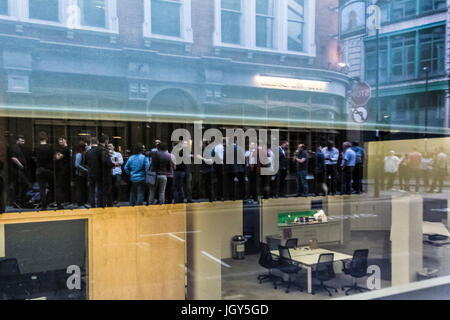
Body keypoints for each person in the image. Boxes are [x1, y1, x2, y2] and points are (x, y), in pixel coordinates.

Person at [86, 136, 114, 208]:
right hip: (100, 174)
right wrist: (113, 164)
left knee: (92, 190)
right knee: (100, 190)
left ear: (91, 143)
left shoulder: (88, 152)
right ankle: (100, 205)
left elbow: (86, 162)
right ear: (97, 142)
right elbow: (104, 162)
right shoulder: (101, 150)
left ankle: (92, 204)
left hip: (90, 173)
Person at [8, 135, 30, 209]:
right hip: (17, 170)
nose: (23, 142)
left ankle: (18, 201)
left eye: (23, 141)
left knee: (19, 186)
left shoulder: (19, 148)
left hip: (19, 170)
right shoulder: (14, 147)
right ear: (17, 140)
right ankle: (17, 201)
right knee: (24, 184)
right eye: (21, 141)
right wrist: (21, 165)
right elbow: (13, 158)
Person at [35, 132, 54, 210]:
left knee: (41, 189)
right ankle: (49, 201)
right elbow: (53, 158)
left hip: (40, 169)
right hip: (49, 170)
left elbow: (35, 158)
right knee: (52, 187)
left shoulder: (37, 147)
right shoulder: (50, 147)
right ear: (46, 138)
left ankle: (44, 205)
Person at [55, 136, 72, 209]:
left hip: (64, 170)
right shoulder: (63, 149)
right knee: (63, 186)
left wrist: (57, 153)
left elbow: (57, 157)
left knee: (62, 186)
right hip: (62, 170)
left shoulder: (66, 149)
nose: (60, 142)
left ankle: (63, 201)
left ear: (65, 140)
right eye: (59, 141)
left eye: (61, 140)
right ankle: (64, 201)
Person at [74, 141, 88, 208]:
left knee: (82, 189)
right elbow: (76, 165)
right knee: (80, 189)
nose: (86, 147)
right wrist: (85, 169)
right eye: (85, 146)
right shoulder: (79, 154)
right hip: (79, 174)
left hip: (81, 174)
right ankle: (80, 204)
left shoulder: (82, 153)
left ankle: (82, 203)